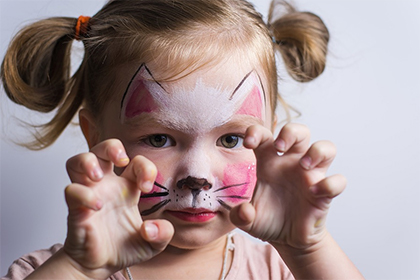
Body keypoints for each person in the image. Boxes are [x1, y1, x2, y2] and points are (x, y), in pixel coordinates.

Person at [1, 0, 364, 279]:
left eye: (232, 139)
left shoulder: (286, 270)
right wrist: (78, 268)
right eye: (158, 139)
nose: (198, 176)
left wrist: (308, 249)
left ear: (271, 139)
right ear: (95, 136)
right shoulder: (50, 270)